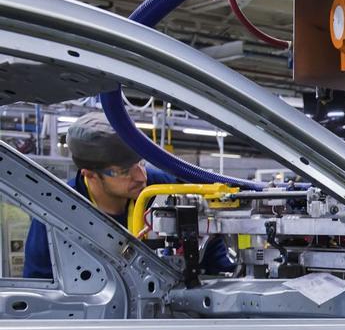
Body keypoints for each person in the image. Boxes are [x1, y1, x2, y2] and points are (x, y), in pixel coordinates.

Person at [24, 111, 235, 279]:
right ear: (90, 174)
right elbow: (39, 281)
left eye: (141, 163)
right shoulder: (57, 209)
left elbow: (210, 245)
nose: (140, 176)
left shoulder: (162, 187)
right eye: (124, 171)